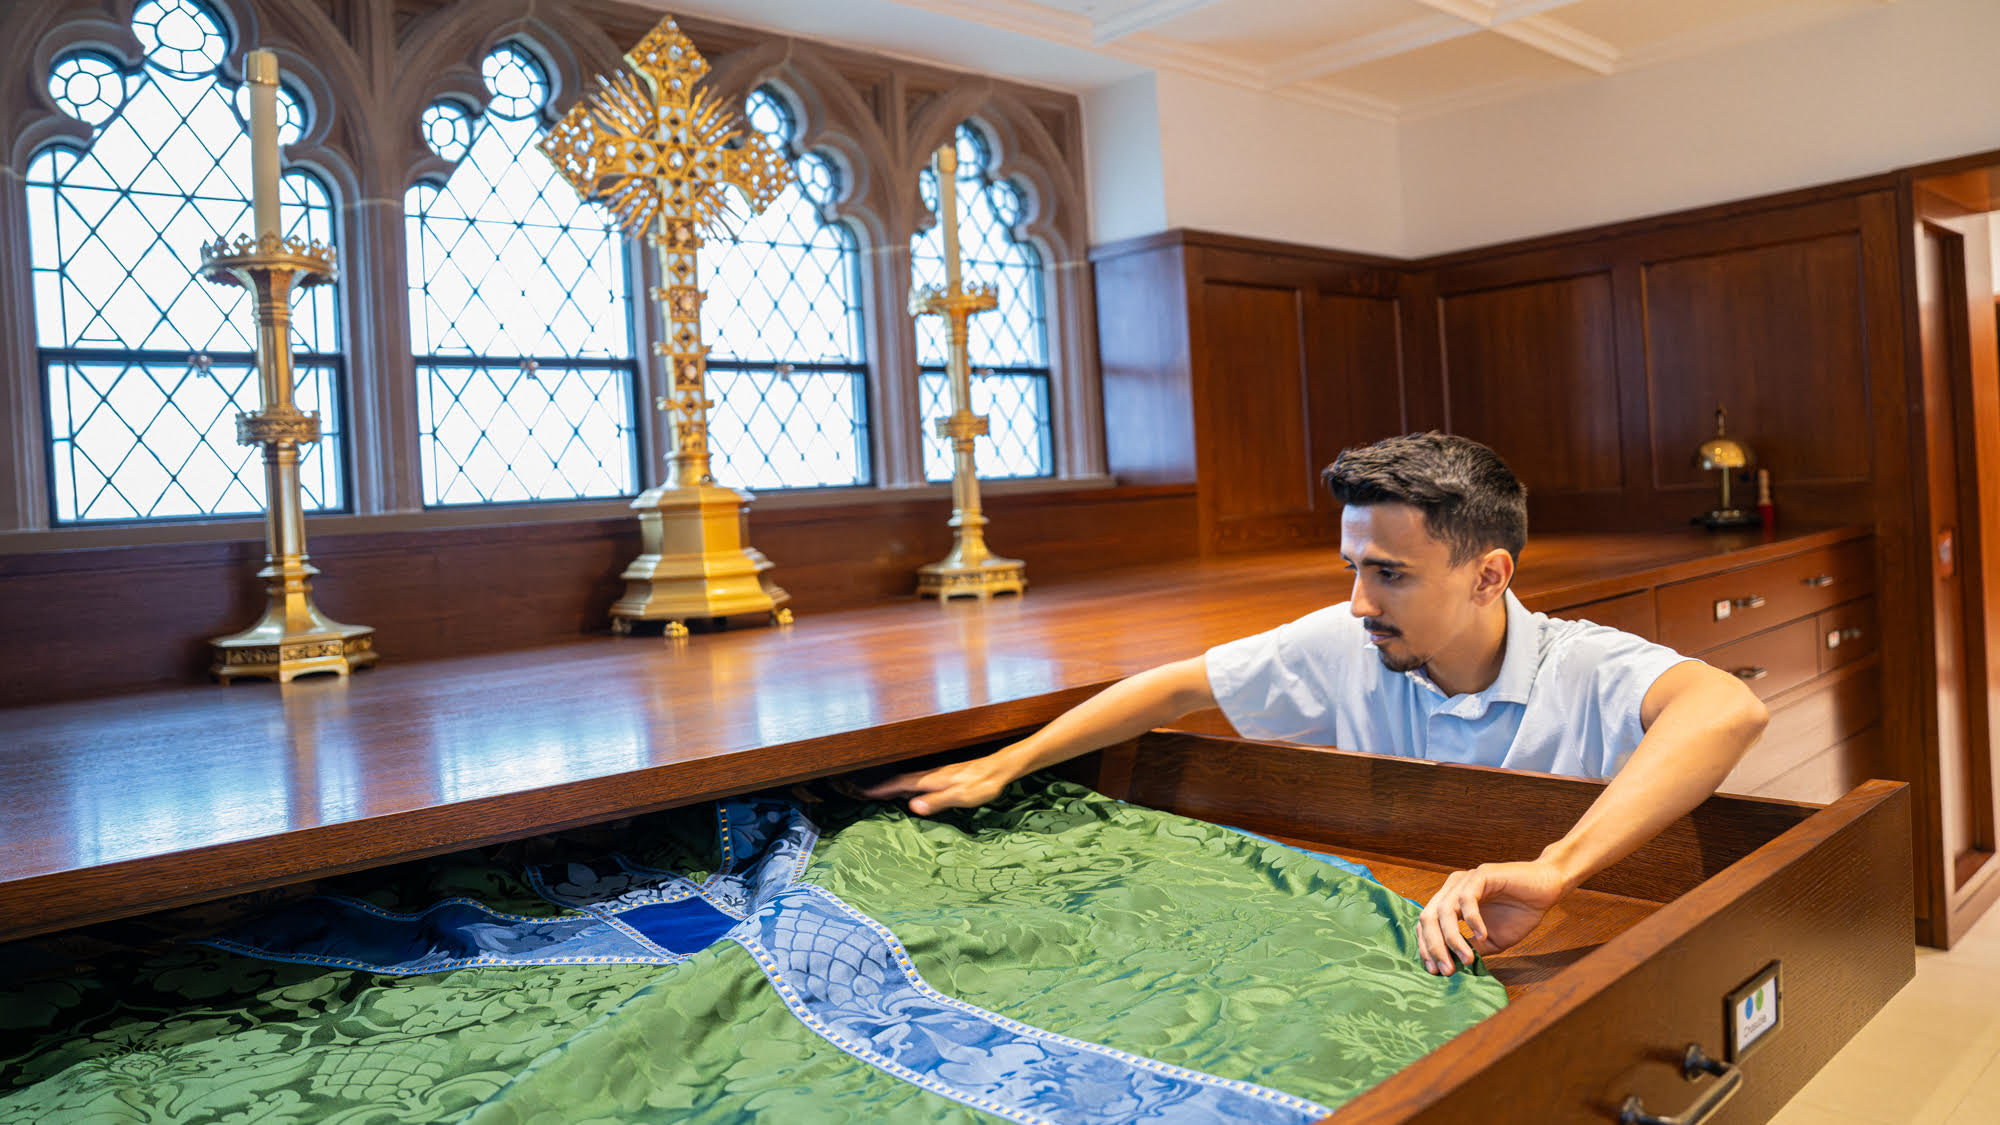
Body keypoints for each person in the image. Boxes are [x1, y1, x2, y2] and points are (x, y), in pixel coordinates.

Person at [861, 432, 1769, 978]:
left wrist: (1555, 866)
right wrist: (1007, 763)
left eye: (1390, 573)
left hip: (1564, 954)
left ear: (1491, 575)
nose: (1359, 603)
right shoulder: (1354, 638)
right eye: (1353, 569)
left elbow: (1726, 709)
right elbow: (1178, 684)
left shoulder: (1583, 664)